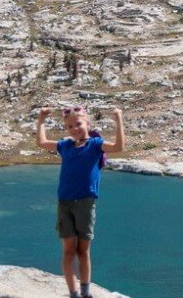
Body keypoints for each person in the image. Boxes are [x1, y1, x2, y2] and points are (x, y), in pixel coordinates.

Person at [36, 106, 125, 298]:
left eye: (78, 124)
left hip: (86, 202)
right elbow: (42, 142)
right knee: (68, 250)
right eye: (70, 126)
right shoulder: (65, 146)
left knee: (83, 251)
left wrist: (118, 119)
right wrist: (41, 120)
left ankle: (85, 291)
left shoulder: (95, 144)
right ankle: (73, 293)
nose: (74, 128)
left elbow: (118, 147)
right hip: (65, 202)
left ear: (88, 124)